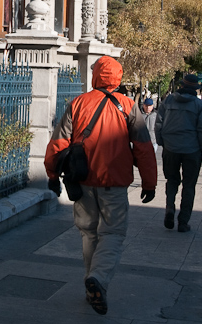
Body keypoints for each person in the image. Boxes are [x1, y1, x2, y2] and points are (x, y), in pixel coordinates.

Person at [44, 56, 157, 316]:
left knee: (89, 233)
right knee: (113, 234)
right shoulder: (129, 106)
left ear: (96, 76)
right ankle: (99, 279)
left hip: (82, 181)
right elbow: (143, 148)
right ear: (117, 78)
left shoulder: (78, 104)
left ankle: (91, 284)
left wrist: (52, 175)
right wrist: (149, 182)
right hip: (114, 183)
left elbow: (58, 143)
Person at [155, 74, 202, 233]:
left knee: (171, 180)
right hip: (191, 150)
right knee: (189, 185)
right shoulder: (199, 105)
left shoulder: (168, 101)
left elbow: (158, 123)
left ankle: (169, 208)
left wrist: (162, 142)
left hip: (171, 148)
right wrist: (201, 145)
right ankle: (183, 221)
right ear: (195, 88)